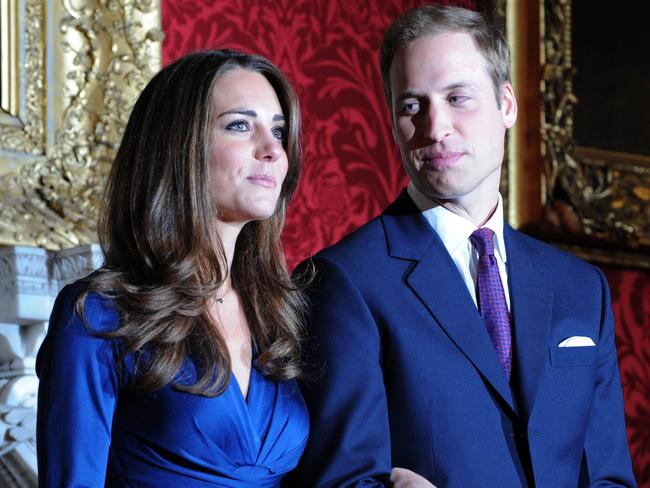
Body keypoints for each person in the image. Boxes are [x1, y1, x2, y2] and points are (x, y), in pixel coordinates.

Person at [284, 5, 636, 488]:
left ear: (506, 104)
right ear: (391, 123)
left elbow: (610, 479)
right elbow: (341, 481)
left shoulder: (580, 286)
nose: (435, 128)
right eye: (412, 105)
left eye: (457, 97)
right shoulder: (343, 283)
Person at [36, 49, 309, 487]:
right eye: (240, 125)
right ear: (179, 146)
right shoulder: (98, 313)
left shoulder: (282, 309)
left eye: (278, 131)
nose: (273, 150)